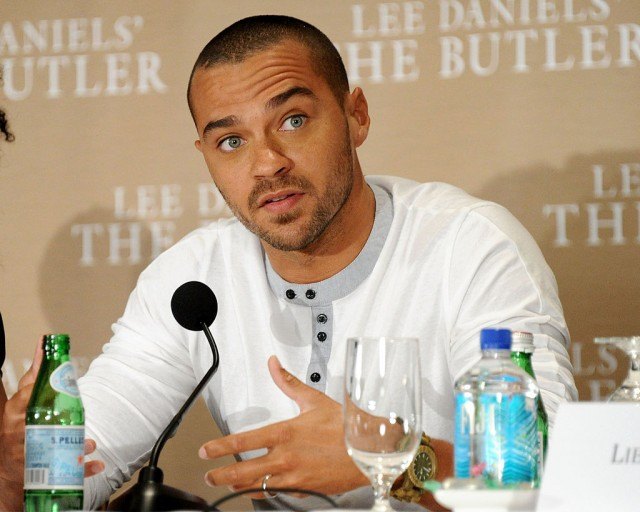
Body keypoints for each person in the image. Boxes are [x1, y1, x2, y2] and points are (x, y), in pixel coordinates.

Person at [1, 14, 577, 512]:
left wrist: (390, 457)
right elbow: (81, 464)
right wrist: (18, 471)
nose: (267, 163)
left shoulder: (470, 245)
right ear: (205, 156)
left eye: (294, 120)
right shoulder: (191, 281)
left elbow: (561, 483)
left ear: (356, 117)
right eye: (231, 142)